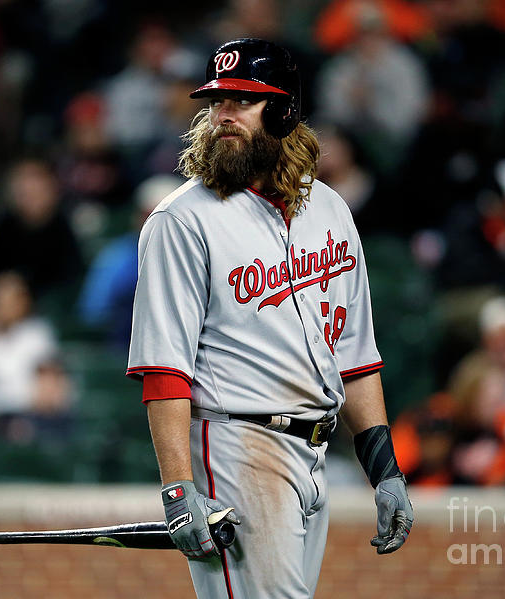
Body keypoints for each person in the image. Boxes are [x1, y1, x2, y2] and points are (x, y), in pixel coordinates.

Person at [126, 39, 413, 599]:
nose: (224, 114)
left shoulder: (329, 209)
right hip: (237, 446)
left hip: (315, 455)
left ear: (284, 112)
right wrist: (178, 488)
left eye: (243, 101)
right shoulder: (181, 221)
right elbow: (164, 370)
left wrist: (384, 470)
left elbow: (354, 357)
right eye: (218, 102)